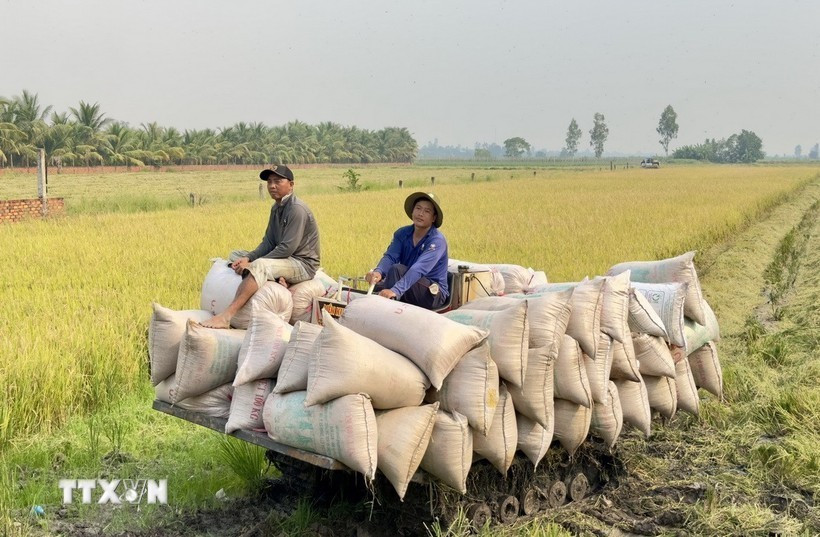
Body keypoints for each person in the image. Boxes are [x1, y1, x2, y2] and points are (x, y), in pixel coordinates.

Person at [201, 165, 320, 328]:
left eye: (278, 181)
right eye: (269, 182)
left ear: (291, 184)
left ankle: (227, 316)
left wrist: (252, 264)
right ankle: (274, 278)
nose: (272, 186)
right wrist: (248, 257)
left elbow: (287, 248)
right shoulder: (276, 208)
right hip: (284, 259)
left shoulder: (296, 209)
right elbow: (269, 242)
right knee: (236, 254)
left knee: (260, 265)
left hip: (301, 263)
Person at [365, 192, 449, 310]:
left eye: (427, 211)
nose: (420, 214)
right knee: (380, 282)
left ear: (433, 218)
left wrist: (395, 290)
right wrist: (378, 272)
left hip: (433, 293)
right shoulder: (402, 233)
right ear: (412, 211)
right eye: (418, 208)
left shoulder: (437, 241)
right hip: (410, 285)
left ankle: (388, 309)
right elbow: (390, 257)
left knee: (396, 270)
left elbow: (419, 268)